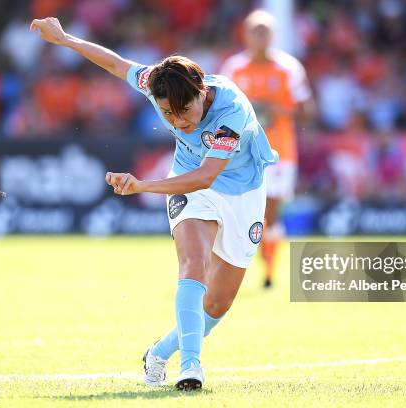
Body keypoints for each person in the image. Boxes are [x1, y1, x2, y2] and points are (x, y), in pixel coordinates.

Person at [30, 17, 277, 391]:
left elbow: (207, 176)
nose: (178, 121)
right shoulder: (157, 81)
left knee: (217, 305)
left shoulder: (232, 112)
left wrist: (141, 185)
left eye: (185, 112)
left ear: (201, 92)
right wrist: (65, 39)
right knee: (194, 262)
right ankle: (191, 368)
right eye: (168, 115)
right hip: (189, 181)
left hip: (239, 190)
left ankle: (159, 352)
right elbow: (115, 63)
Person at [220, 10, 314, 288]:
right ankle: (231, 267)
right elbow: (220, 109)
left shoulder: (289, 68)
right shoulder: (233, 69)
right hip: (241, 152)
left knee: (269, 212)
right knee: (236, 214)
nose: (259, 36)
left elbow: (308, 110)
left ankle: (269, 271)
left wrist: (278, 110)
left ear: (272, 35)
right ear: (245, 34)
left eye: (265, 31)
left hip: (278, 153)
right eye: (254, 30)